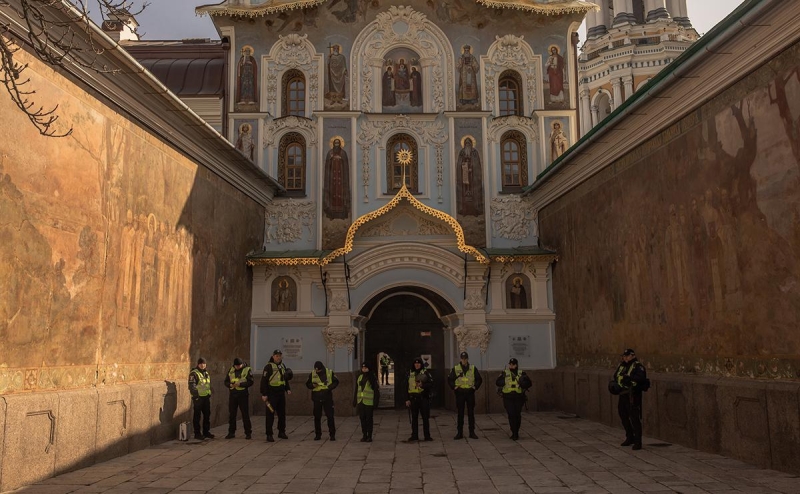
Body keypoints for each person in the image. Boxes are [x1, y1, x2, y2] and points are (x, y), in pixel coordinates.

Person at [614, 349, 648, 450]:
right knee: (623, 414)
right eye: (624, 356)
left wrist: (629, 379)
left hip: (633, 395)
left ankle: (638, 441)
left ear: (633, 356)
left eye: (627, 356)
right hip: (623, 394)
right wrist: (623, 380)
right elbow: (616, 375)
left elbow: (640, 378)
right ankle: (630, 437)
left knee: (634, 418)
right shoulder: (622, 365)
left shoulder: (638, 366)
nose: (625, 358)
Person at [447, 351, 483, 439]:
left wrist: (475, 387)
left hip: (470, 393)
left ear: (467, 359)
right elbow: (450, 379)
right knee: (460, 413)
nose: (464, 360)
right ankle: (459, 433)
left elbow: (479, 379)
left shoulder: (473, 368)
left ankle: (472, 432)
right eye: (462, 359)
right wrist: (454, 387)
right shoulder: (456, 368)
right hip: (460, 393)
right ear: (460, 359)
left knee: (471, 413)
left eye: (465, 359)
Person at [260, 349, 293, 442]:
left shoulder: (282, 365)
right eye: (277, 356)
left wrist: (288, 389)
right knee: (270, 414)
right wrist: (264, 394)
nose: (278, 357)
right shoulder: (268, 367)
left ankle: (281, 432)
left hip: (281, 394)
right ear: (273, 356)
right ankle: (269, 434)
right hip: (271, 395)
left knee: (282, 414)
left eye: (279, 356)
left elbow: (285, 379)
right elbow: (264, 381)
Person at [495, 358, 532, 440]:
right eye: (510, 364)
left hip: (518, 397)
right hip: (508, 397)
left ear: (516, 365)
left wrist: (522, 383)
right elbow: (498, 382)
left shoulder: (522, 373)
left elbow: (529, 383)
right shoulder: (504, 373)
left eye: (513, 364)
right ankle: (513, 432)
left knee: (517, 415)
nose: (511, 366)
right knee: (511, 414)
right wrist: (503, 381)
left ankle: (516, 431)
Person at [306, 361, 339, 440]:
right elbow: (307, 384)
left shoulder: (329, 372)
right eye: (316, 370)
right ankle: (318, 434)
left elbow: (336, 382)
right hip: (316, 398)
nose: (317, 371)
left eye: (319, 370)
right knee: (317, 417)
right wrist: (312, 385)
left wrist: (329, 388)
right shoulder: (312, 373)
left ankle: (332, 434)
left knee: (330, 416)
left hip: (327, 397)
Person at [405, 358, 434, 441]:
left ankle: (427, 436)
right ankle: (414, 435)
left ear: (421, 364)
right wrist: (407, 399)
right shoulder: (410, 373)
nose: (417, 365)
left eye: (418, 364)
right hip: (413, 399)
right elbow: (406, 387)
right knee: (414, 418)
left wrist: (423, 385)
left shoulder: (425, 372)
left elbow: (431, 384)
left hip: (423, 398)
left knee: (425, 418)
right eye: (415, 364)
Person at [224, 357, 254, 439]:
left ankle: (248, 433)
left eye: (239, 365)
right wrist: (229, 385)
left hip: (243, 395)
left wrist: (240, 385)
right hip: (233, 394)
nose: (237, 367)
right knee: (232, 414)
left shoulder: (247, 370)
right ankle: (231, 432)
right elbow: (226, 381)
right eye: (236, 366)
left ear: (242, 364)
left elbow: (250, 382)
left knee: (245, 414)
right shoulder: (231, 370)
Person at [322, 138, 350, 219]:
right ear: (333, 144)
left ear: (340, 144)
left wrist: (341, 159)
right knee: (332, 194)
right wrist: (331, 159)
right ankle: (331, 214)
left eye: (338, 143)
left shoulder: (343, 153)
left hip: (341, 178)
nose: (337, 144)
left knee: (341, 194)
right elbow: (327, 165)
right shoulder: (330, 153)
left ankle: (342, 215)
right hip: (332, 179)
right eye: (335, 143)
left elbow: (346, 165)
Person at [353, 361, 380, 442]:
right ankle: (364, 435)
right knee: (362, 418)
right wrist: (354, 400)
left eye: (365, 368)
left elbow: (376, 390)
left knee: (369, 419)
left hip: (369, 402)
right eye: (363, 368)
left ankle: (369, 435)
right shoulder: (359, 377)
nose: (364, 369)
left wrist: (376, 401)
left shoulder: (372, 377)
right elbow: (356, 389)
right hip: (361, 401)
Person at [188, 357, 213, 441]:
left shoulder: (206, 372)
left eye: (204, 363)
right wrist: (196, 396)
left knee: (207, 415)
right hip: (198, 398)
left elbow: (207, 384)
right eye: (201, 363)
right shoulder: (194, 373)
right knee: (197, 416)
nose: (203, 365)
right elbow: (192, 386)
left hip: (206, 397)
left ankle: (206, 432)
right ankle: (197, 433)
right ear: (198, 364)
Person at [456, 137, 483, 216]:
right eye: (466, 143)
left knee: (474, 191)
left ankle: (475, 209)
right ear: (464, 144)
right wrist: (464, 166)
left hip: (473, 176)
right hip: (464, 176)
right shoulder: (462, 152)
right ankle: (464, 210)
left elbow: (477, 164)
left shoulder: (475, 152)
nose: (467, 145)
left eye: (469, 143)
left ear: (471, 144)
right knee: (465, 192)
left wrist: (472, 168)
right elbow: (459, 164)